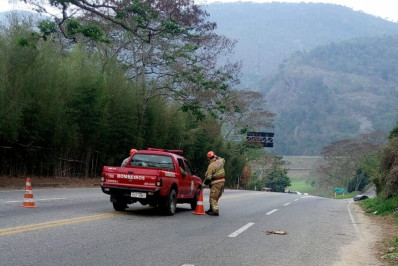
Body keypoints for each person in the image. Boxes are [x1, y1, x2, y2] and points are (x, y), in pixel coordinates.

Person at [203, 151, 225, 216]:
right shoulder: (220, 161)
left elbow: (208, 178)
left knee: (213, 197)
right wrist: (217, 157)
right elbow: (223, 159)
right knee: (214, 196)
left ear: (209, 158)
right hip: (221, 182)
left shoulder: (211, 166)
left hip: (216, 183)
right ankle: (211, 209)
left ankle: (215, 211)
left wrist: (203, 185)